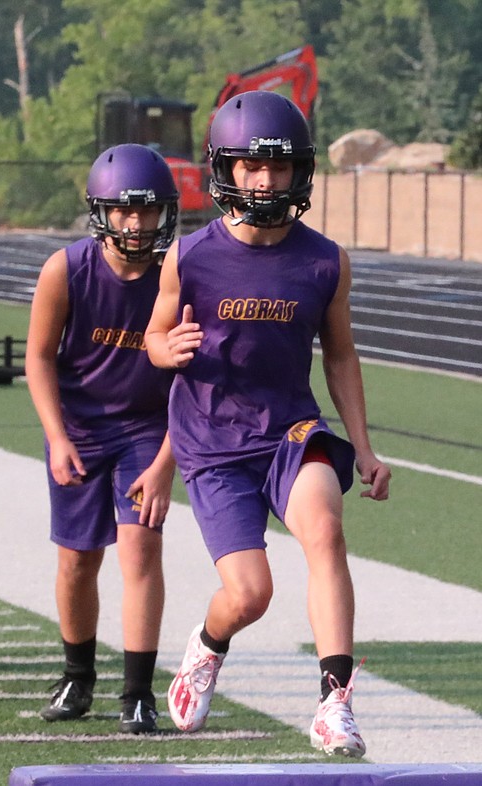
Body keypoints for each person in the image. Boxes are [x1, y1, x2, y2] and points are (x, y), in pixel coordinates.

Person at [144, 91, 391, 757]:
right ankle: (209, 643)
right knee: (250, 594)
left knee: (325, 533)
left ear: (300, 172)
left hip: (291, 432)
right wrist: (166, 349)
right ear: (226, 169)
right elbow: (156, 337)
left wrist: (363, 448)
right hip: (215, 444)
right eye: (251, 166)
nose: (264, 180)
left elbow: (340, 354)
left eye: (278, 168)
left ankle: (335, 705)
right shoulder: (190, 255)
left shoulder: (325, 260)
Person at [25, 144, 178, 734]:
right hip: (81, 427)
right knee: (76, 559)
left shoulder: (179, 272)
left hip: (147, 426)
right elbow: (38, 358)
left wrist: (168, 459)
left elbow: (193, 382)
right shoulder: (65, 269)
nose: (136, 224)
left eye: (146, 211)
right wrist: (56, 435)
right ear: (101, 212)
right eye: (123, 211)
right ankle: (77, 675)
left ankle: (138, 691)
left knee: (141, 548)